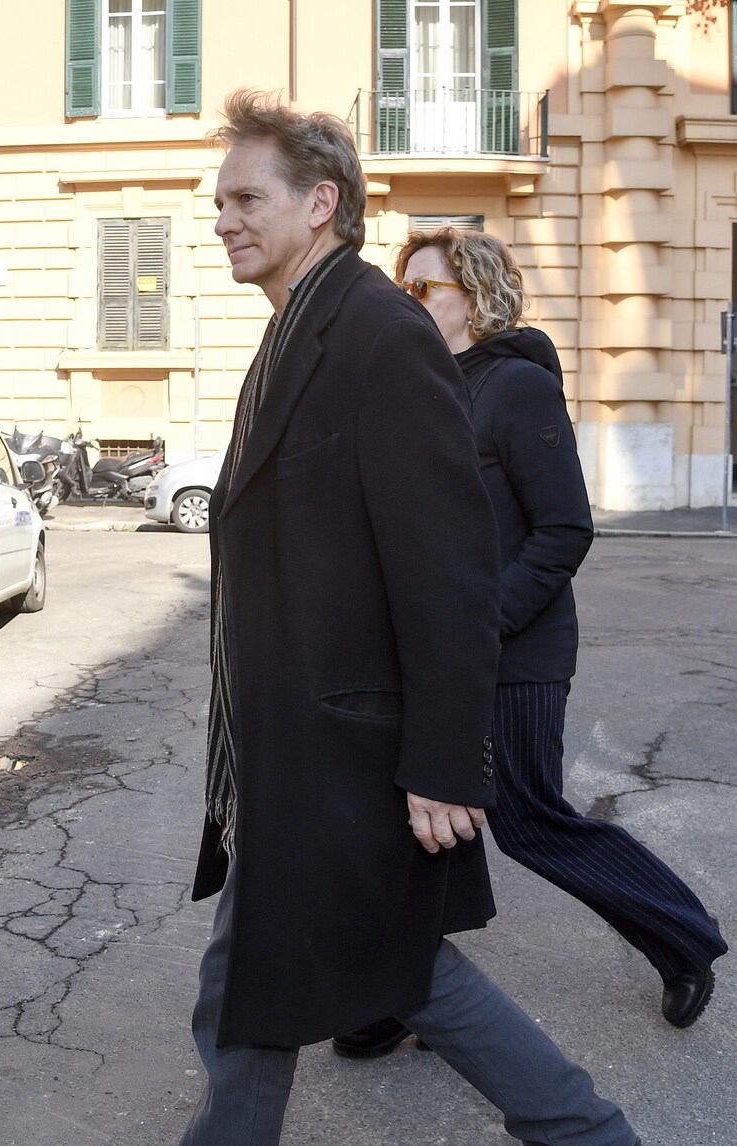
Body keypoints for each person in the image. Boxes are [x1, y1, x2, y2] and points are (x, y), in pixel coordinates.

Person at [178, 90, 641, 1146]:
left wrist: (444, 762)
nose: (224, 219)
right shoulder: (298, 328)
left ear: (320, 203)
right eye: (220, 203)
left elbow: (449, 574)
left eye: (247, 198)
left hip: (349, 755)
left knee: (393, 973)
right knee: (260, 979)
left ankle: (588, 1132)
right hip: (287, 751)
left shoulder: (380, 334)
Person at [332, 228, 727, 1061]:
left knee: (529, 820)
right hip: (431, 655)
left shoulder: (516, 387)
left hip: (513, 655)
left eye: (424, 289)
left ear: (475, 299)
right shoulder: (423, 388)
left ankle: (683, 937)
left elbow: (563, 528)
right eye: (403, 288)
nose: (408, 301)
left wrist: (481, 624)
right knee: (418, 818)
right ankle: (408, 994)